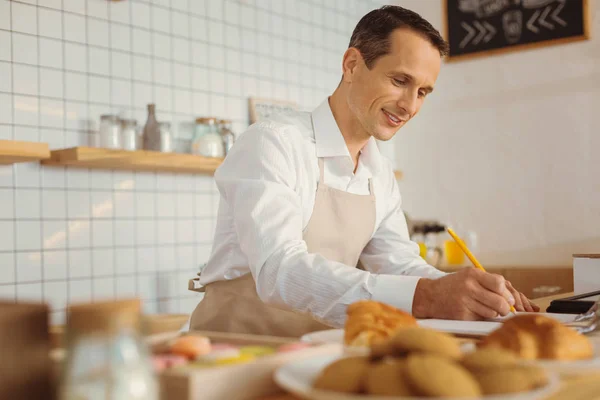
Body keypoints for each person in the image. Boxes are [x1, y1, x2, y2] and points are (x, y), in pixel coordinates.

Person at [189, 5, 538, 337]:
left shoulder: (379, 172)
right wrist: (428, 296)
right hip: (236, 353)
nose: (410, 105)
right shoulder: (272, 143)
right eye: (400, 80)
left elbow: (399, 264)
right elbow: (279, 269)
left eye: (423, 92)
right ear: (352, 64)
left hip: (316, 353)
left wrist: (470, 292)